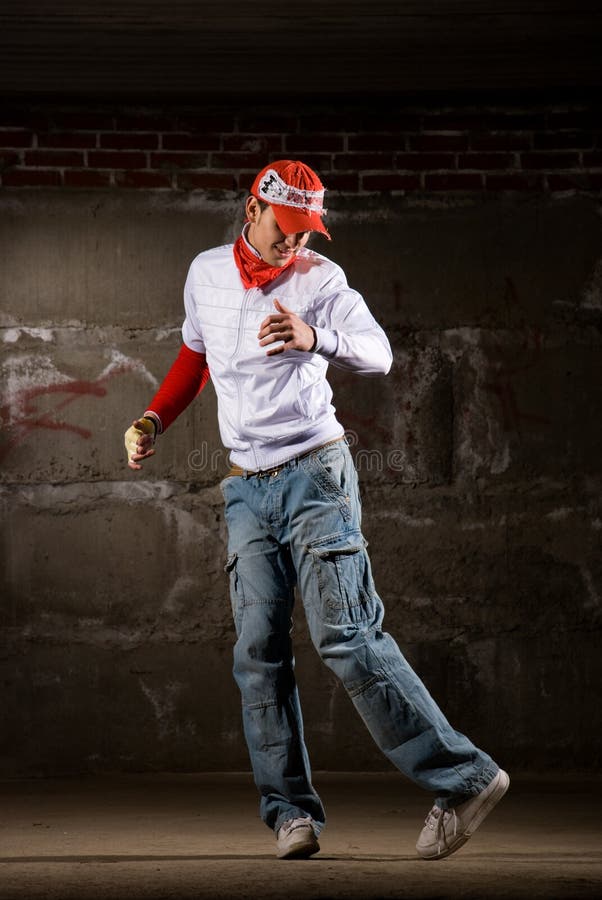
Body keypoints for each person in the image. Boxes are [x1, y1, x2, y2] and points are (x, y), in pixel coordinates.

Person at [124, 159, 509, 861]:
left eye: (307, 232)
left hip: (314, 477)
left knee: (348, 637)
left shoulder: (321, 282)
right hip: (246, 488)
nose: (295, 243)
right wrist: (152, 419)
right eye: (285, 228)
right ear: (253, 211)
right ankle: (290, 814)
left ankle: (465, 779)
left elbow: (379, 354)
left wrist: (316, 338)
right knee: (257, 654)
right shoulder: (205, 273)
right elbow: (195, 358)